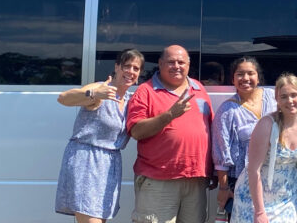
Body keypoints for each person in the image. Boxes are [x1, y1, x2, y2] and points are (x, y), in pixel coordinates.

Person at [126, 45, 215, 223]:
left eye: (181, 62)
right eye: (171, 62)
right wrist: (170, 115)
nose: (176, 66)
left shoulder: (198, 88)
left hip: (195, 180)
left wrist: (213, 169)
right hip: (158, 180)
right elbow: (136, 131)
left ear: (188, 65)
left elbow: (210, 130)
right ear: (160, 64)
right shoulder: (146, 91)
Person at [55, 48, 143, 223]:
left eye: (136, 68)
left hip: (110, 166)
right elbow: (63, 98)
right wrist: (94, 95)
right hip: (86, 161)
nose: (131, 71)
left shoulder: (130, 100)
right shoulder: (101, 88)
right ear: (117, 67)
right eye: (127, 66)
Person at [231, 74, 297, 223]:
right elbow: (253, 170)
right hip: (255, 199)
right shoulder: (267, 124)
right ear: (277, 99)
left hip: (287, 197)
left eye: (294, 95)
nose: (289, 100)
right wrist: (259, 212)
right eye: (284, 96)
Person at [213, 57, 278, 219]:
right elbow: (221, 154)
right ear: (233, 79)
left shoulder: (273, 98)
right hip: (242, 183)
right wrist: (223, 188)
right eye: (240, 74)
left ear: (258, 77)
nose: (245, 78)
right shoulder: (227, 110)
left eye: (250, 73)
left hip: (275, 180)